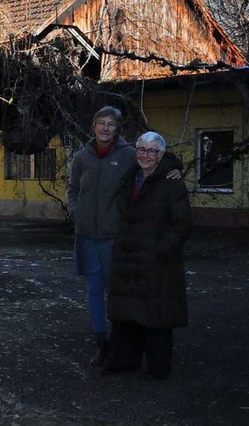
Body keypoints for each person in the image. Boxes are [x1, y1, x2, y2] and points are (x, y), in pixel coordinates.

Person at [66, 107, 181, 367]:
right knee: (94, 292)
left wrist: (176, 169)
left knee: (117, 293)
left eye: (111, 125)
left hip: (113, 237)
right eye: (101, 123)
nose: (105, 128)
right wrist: (76, 212)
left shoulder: (129, 154)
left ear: (118, 130)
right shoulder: (82, 157)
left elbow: (157, 160)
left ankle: (122, 346)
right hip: (85, 237)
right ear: (93, 127)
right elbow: (72, 189)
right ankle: (101, 343)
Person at [102, 131, 192, 380]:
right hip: (128, 259)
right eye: (141, 149)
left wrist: (160, 250)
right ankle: (125, 361)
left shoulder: (172, 182)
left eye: (152, 151)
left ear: (161, 154)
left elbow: (183, 224)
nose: (145, 155)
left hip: (157, 263)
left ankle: (158, 368)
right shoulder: (129, 178)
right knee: (128, 313)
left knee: (156, 317)